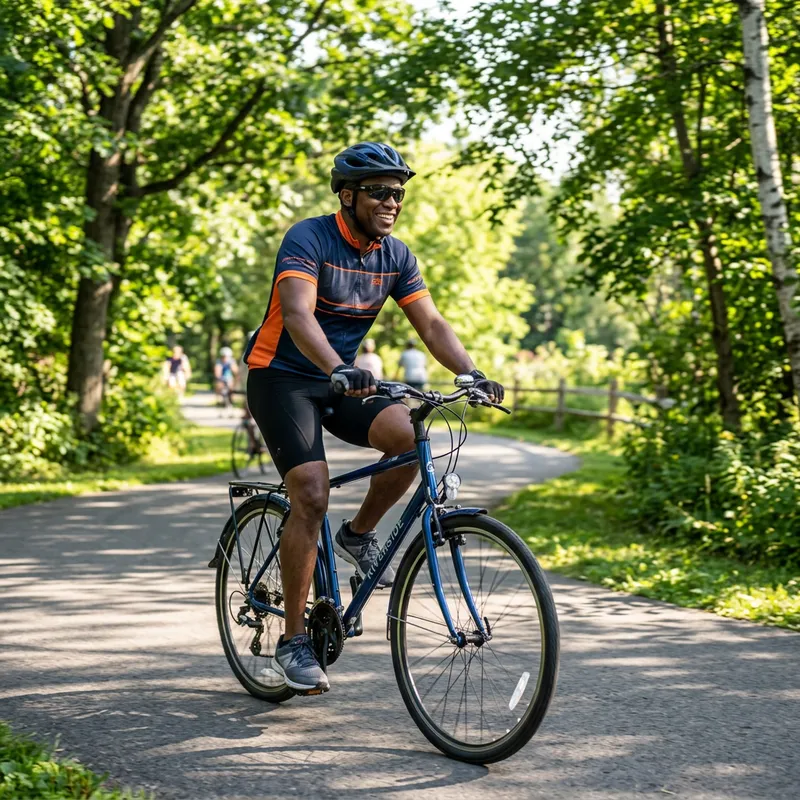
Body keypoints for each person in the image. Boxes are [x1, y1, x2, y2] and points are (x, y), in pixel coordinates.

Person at [244, 141, 504, 695]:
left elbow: (431, 324)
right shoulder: (308, 238)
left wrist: (472, 373)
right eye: (380, 192)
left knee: (410, 438)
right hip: (283, 377)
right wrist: (339, 365)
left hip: (341, 379)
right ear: (348, 195)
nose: (392, 202)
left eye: (399, 193)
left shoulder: (397, 255)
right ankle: (293, 641)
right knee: (310, 494)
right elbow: (296, 315)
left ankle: (358, 535)